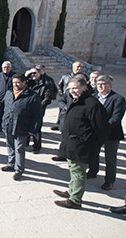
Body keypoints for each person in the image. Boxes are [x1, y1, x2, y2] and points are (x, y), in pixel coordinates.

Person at [53, 77, 108, 209]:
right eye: (70, 88)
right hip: (71, 144)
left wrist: (92, 143)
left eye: (75, 88)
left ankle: (75, 200)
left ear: (84, 87)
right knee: (73, 169)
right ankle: (72, 190)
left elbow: (101, 128)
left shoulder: (92, 104)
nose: (72, 91)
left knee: (78, 172)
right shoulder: (76, 100)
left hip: (82, 145)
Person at [0, 74, 42, 180]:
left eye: (18, 82)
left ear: (24, 83)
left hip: (22, 126)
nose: (15, 85)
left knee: (19, 149)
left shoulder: (32, 96)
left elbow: (37, 115)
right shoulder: (9, 93)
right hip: (8, 124)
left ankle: (19, 170)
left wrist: (33, 129)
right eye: (14, 82)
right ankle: (11, 163)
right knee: (9, 145)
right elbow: (2, 108)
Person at [88, 75, 125, 190]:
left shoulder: (118, 99)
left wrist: (103, 128)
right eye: (98, 84)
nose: (100, 86)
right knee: (93, 153)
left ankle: (109, 180)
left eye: (103, 84)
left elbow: (116, 118)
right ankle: (93, 171)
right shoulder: (93, 97)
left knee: (110, 158)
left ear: (110, 85)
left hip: (111, 133)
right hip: (95, 132)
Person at [25, 66, 53, 153]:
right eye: (31, 73)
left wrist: (39, 107)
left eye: (35, 73)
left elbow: (47, 98)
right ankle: (25, 142)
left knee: (36, 128)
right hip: (28, 107)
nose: (33, 75)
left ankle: (37, 146)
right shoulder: (29, 82)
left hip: (38, 108)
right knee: (26, 125)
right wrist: (26, 75)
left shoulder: (46, 83)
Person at [53, 61, 88, 130]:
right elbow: (59, 85)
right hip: (66, 96)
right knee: (62, 111)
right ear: (73, 67)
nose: (79, 68)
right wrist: (61, 93)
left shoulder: (84, 77)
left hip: (76, 96)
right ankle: (59, 125)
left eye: (80, 67)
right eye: (78, 67)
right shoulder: (66, 76)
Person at [0, 61, 14, 133]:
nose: (6, 69)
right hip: (0, 98)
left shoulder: (14, 76)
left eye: (7, 67)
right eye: (4, 67)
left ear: (10, 68)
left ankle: (6, 126)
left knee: (8, 113)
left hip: (10, 99)